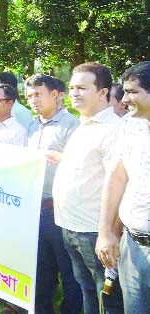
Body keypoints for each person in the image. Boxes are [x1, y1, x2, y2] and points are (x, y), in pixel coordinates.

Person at [52, 62, 124, 314]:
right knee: (88, 292)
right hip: (69, 226)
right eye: (72, 87)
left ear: (103, 92)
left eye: (82, 88)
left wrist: (108, 234)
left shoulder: (113, 130)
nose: (74, 93)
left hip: (94, 233)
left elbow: (118, 184)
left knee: (108, 300)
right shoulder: (84, 124)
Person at [25, 74, 82, 314]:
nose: (33, 100)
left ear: (56, 95)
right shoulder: (32, 125)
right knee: (40, 268)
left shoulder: (73, 126)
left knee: (69, 271)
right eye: (29, 96)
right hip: (33, 208)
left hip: (60, 210)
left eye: (38, 94)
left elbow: (81, 167)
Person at [96, 61, 150, 313]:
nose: (124, 99)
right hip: (132, 245)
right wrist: (106, 232)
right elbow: (116, 178)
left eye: (132, 92)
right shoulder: (129, 124)